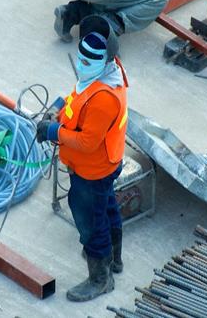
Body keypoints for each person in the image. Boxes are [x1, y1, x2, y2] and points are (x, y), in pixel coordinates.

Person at [36, 15, 128, 302]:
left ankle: (101, 279)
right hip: (105, 165)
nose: (83, 66)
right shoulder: (105, 74)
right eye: (82, 59)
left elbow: (88, 142)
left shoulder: (104, 98)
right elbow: (79, 98)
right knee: (107, 207)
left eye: (89, 62)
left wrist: (54, 130)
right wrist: (60, 108)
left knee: (91, 222)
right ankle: (114, 260)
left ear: (105, 60)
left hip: (93, 169)